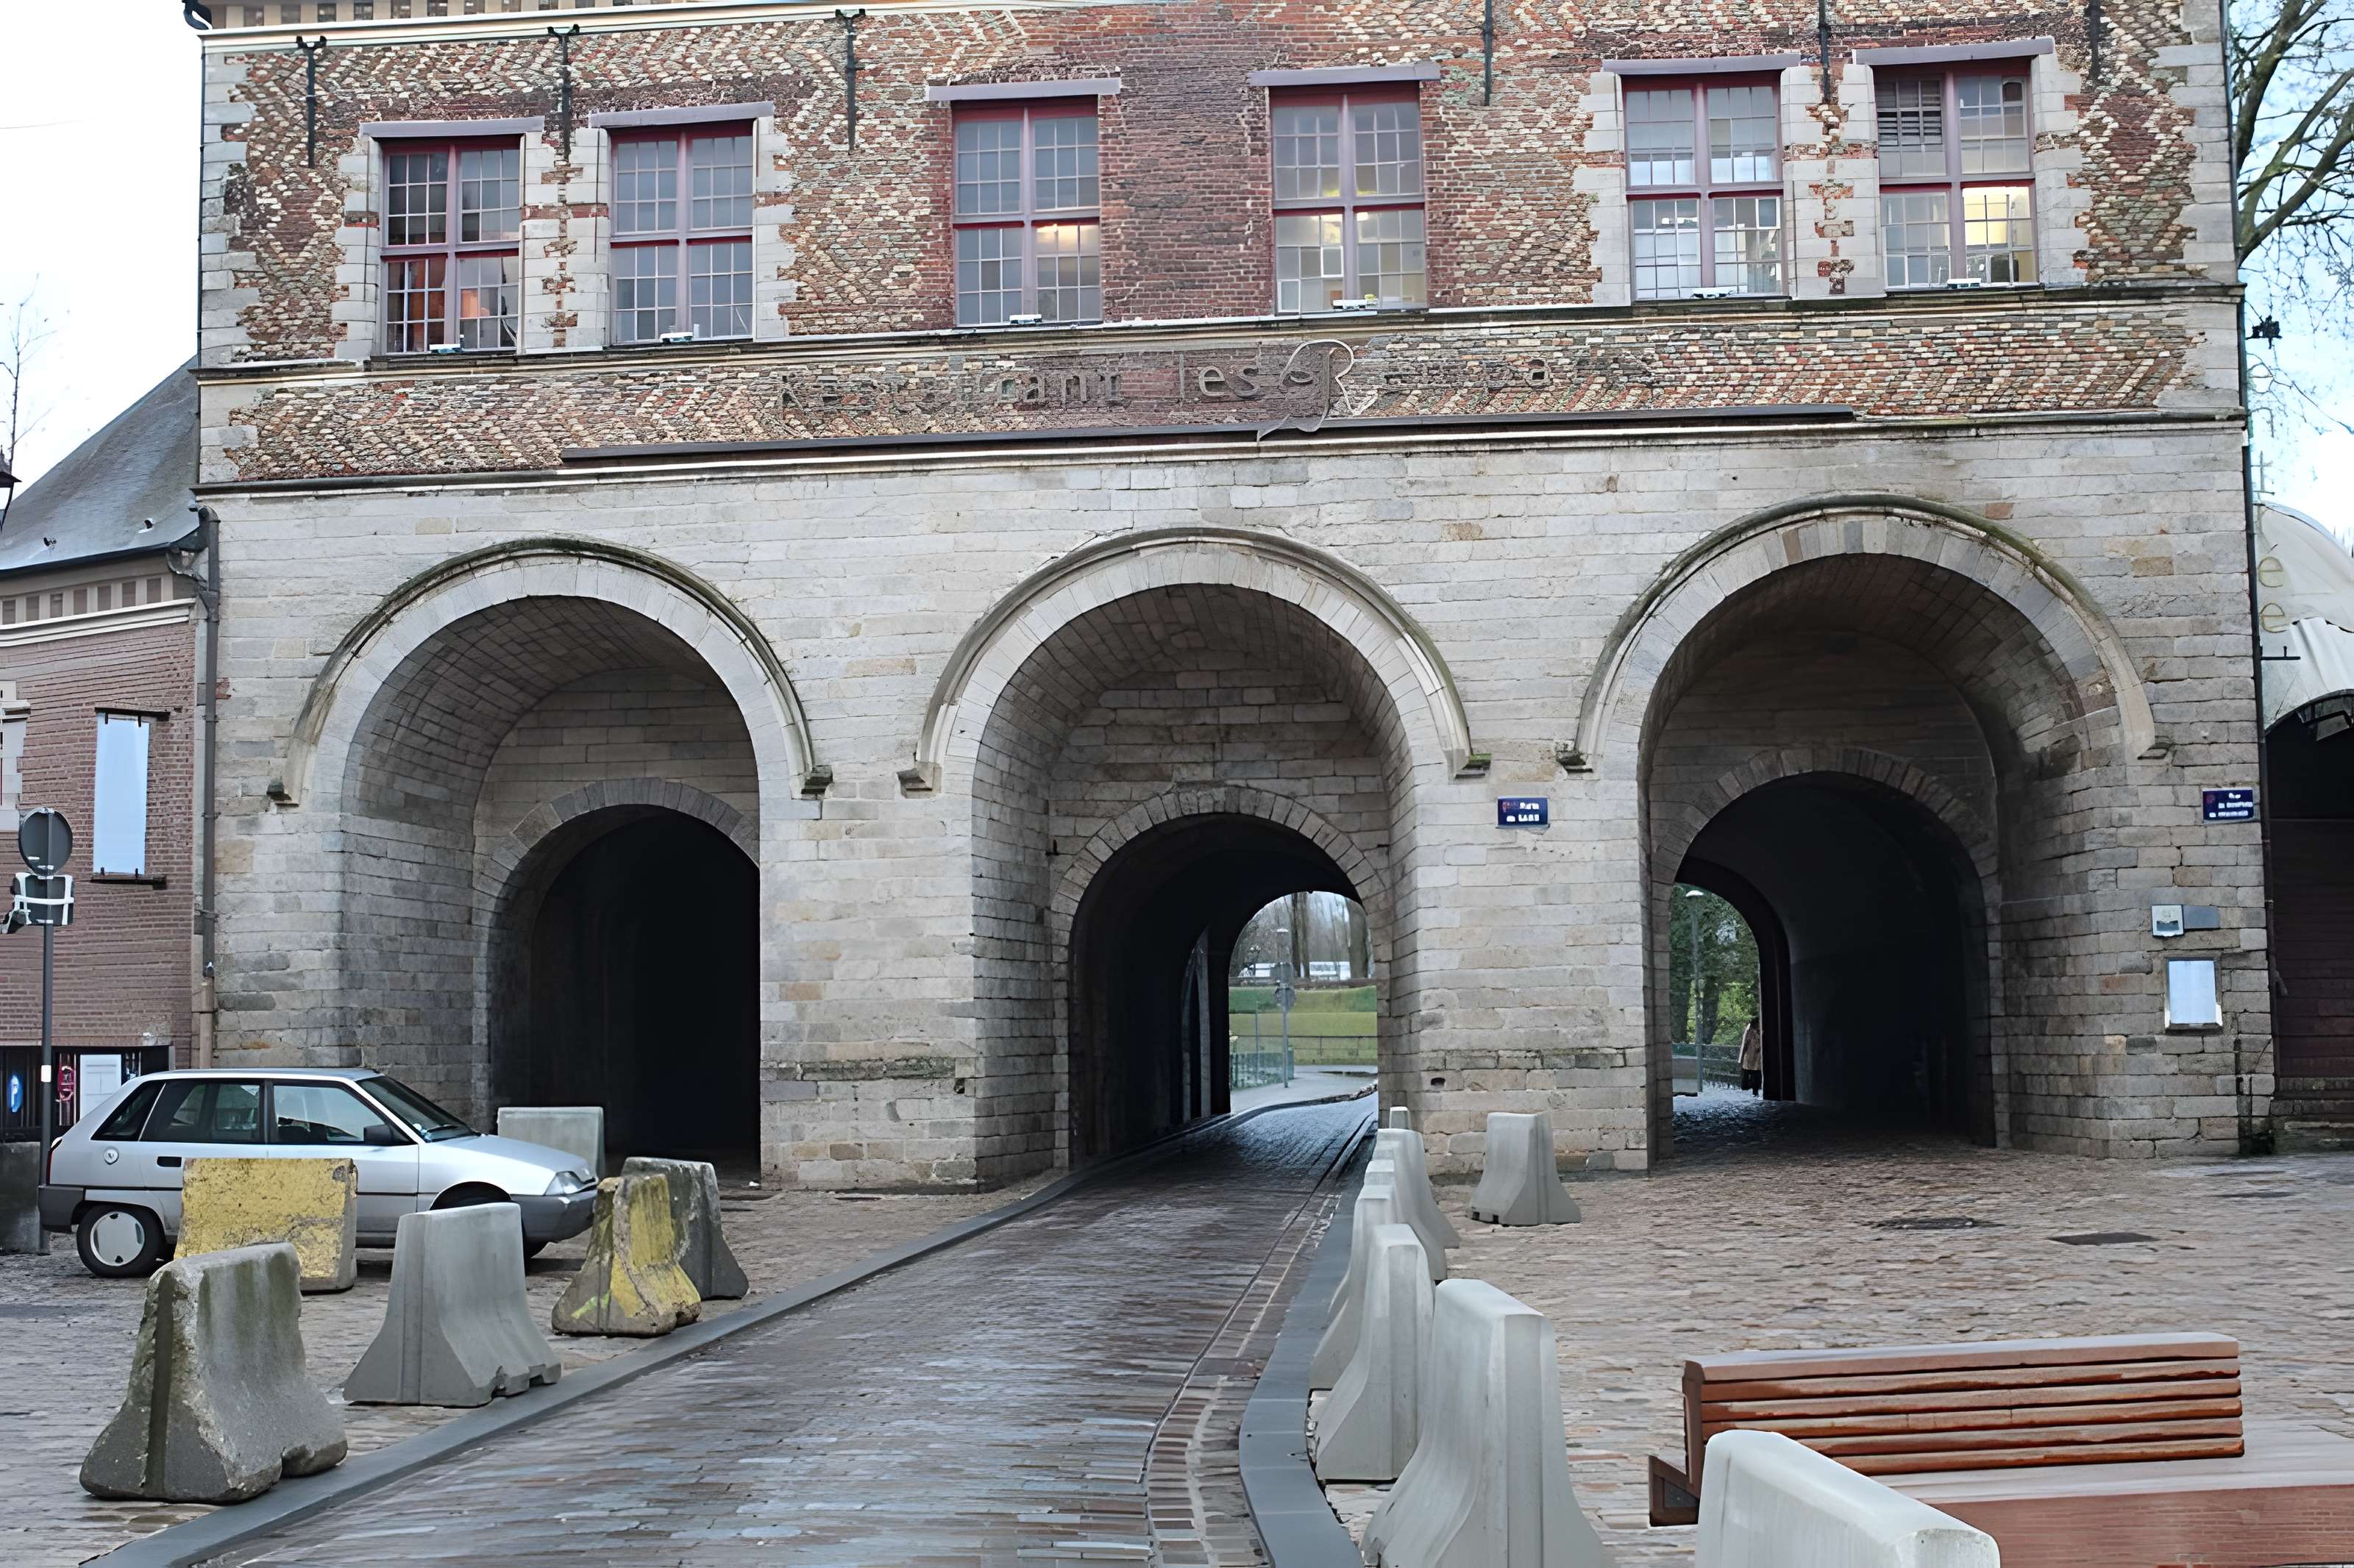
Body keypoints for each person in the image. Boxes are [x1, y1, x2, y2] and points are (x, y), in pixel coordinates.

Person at [1738, 1017, 1764, 1095]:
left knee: (1757, 1079)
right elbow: (1744, 1043)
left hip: (1758, 1060)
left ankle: (1755, 1091)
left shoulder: (1762, 1030)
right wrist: (1741, 1058)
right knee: (1745, 1084)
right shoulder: (1749, 1030)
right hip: (1749, 1060)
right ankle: (1753, 1088)